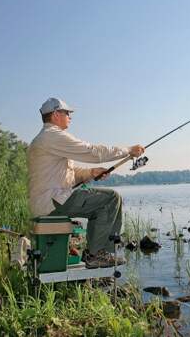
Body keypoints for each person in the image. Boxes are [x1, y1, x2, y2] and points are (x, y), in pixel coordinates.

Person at [27, 97, 144, 268]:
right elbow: (92, 152)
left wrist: (90, 173)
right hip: (51, 202)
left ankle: (96, 252)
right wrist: (128, 150)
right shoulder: (53, 136)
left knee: (106, 199)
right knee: (111, 198)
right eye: (67, 113)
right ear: (56, 114)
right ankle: (97, 255)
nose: (70, 117)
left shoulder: (45, 139)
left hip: (47, 201)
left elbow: (69, 173)